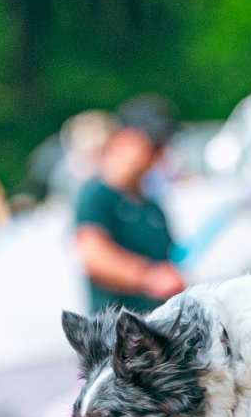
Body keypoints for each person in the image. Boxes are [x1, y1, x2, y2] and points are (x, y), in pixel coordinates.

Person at [72, 95, 185, 314]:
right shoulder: (96, 194)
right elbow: (92, 255)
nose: (158, 154)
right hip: (117, 335)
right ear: (121, 137)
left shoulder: (153, 208)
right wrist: (148, 276)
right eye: (152, 144)